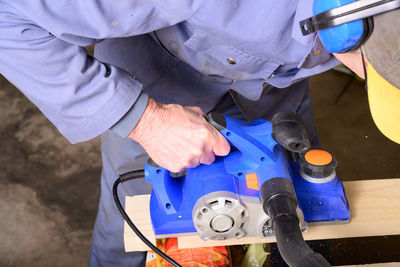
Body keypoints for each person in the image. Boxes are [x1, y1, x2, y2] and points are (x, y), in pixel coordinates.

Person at [0, 0, 398, 266]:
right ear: (339, 19)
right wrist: (144, 119)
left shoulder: (344, 28)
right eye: (374, 64)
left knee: (305, 200)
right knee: (133, 216)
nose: (370, 77)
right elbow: (8, 19)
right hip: (158, 80)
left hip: (274, 87)